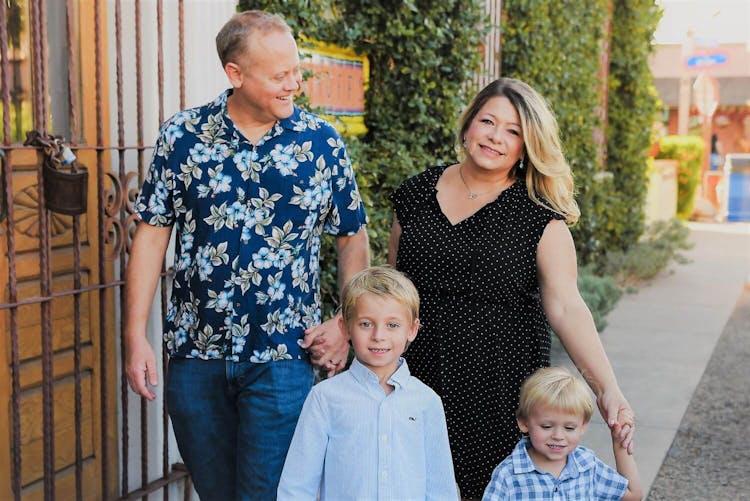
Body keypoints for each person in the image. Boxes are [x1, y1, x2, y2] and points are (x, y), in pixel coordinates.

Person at [123, 10, 369, 500]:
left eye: (295, 70)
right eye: (280, 75)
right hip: (196, 357)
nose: (295, 84)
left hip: (283, 355)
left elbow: (351, 237)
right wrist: (135, 336)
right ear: (236, 74)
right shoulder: (183, 137)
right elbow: (151, 235)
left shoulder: (321, 143)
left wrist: (346, 321)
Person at [388, 77, 634, 499]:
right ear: (468, 126)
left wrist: (607, 388)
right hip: (415, 383)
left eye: (513, 131)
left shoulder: (540, 217)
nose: (496, 137)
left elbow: (567, 308)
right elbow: (394, 291)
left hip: (499, 392)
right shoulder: (414, 196)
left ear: (527, 146)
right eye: (488, 121)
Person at [277, 266, 458, 500]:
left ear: (412, 329)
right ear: (345, 327)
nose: (378, 336)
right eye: (366, 324)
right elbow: (297, 484)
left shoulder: (427, 401)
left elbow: (440, 487)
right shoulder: (325, 397)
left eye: (392, 325)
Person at [482, 367, 642, 501]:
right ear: (524, 423)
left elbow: (633, 495)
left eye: (569, 428)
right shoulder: (508, 475)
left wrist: (619, 443)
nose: (558, 435)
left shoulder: (587, 465)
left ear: (583, 426)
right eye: (546, 426)